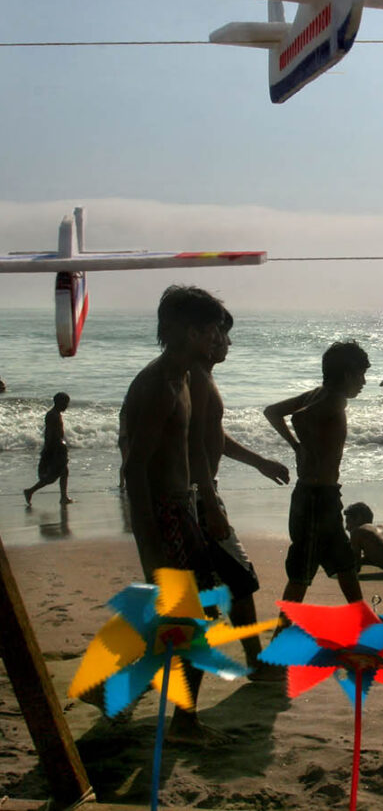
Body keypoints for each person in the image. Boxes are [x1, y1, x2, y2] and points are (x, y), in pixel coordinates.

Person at [121, 285, 225, 744]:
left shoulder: (184, 378)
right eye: (210, 331)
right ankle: (184, 722)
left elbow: (190, 451)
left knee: (189, 616)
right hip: (163, 516)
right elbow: (135, 466)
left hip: (180, 510)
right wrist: (152, 539)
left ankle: (118, 686)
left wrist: (202, 505)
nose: (215, 340)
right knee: (194, 618)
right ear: (189, 331)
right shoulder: (160, 384)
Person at [189, 309, 290, 677]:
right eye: (222, 334)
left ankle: (254, 659)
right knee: (237, 578)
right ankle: (255, 660)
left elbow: (214, 438)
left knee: (219, 586)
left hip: (199, 494)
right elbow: (196, 445)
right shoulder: (197, 380)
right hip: (197, 497)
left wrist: (259, 462)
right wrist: (210, 501)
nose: (227, 342)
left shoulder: (201, 379)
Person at [263, 341, 369, 611]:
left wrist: (298, 447)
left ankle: (362, 620)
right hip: (315, 499)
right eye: (361, 375)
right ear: (347, 375)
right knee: (302, 571)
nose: (364, 382)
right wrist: (304, 447)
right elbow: (299, 419)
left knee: (344, 562)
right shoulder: (334, 400)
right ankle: (281, 633)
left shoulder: (317, 393)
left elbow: (272, 412)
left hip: (322, 495)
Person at [24, 392, 72, 506]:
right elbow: (50, 434)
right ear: (58, 402)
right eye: (65, 403)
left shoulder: (56, 414)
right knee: (51, 477)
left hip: (58, 448)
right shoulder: (52, 415)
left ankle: (63, 497)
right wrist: (52, 451)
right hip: (54, 449)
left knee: (64, 472)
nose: (66, 406)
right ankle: (30, 491)